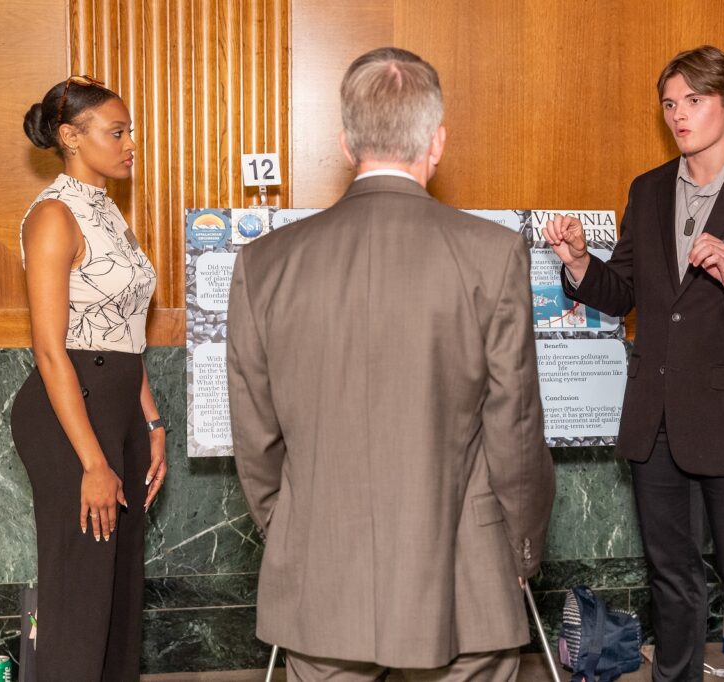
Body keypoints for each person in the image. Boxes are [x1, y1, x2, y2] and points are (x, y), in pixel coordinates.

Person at [227, 47, 555, 681]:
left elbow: (256, 438)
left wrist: (295, 528)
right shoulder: (492, 254)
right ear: (436, 142)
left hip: (321, 573)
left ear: (349, 142)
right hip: (465, 576)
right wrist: (523, 544)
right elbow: (514, 428)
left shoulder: (264, 264)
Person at [542, 45, 724, 681]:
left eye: (693, 101)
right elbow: (628, 291)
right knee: (670, 579)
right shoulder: (646, 189)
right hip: (654, 418)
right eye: (670, 103)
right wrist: (582, 265)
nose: (679, 115)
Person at [12, 75, 167, 681]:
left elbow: (127, 329)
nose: (131, 143)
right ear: (72, 137)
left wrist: (151, 418)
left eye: (131, 132)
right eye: (118, 132)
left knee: (120, 591)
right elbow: (51, 350)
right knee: (80, 593)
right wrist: (94, 463)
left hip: (117, 402)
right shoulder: (53, 215)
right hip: (69, 414)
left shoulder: (108, 212)